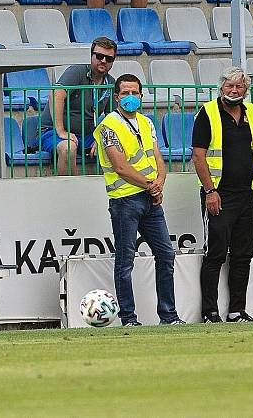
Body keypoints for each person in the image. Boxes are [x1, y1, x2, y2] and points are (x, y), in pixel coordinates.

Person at [92, 74, 185, 326]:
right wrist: (151, 186)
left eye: (134, 93)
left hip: (150, 199)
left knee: (166, 255)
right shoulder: (109, 126)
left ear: (142, 95)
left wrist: (159, 184)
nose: (130, 97)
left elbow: (157, 157)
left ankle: (169, 316)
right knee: (126, 260)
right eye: (125, 93)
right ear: (116, 96)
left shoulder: (146, 122)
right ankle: (129, 318)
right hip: (125, 199)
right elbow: (120, 167)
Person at [191, 67, 253, 323]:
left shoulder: (250, 113)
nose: (233, 91)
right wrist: (210, 191)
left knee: (242, 255)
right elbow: (198, 156)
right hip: (219, 196)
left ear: (245, 90)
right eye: (229, 86)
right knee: (215, 254)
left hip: (246, 195)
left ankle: (237, 310)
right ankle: (210, 312)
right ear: (221, 87)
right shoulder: (208, 113)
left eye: (238, 87)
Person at [39, 37, 117, 175]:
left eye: (109, 58)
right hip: (53, 132)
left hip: (87, 135)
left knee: (116, 145)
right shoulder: (77, 71)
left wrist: (101, 137)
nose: (103, 61)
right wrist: (61, 131)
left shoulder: (110, 83)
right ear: (91, 56)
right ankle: (71, 192)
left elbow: (113, 117)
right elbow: (56, 94)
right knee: (68, 148)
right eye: (99, 56)